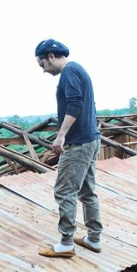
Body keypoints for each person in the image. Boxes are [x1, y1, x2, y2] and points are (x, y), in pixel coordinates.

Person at [35, 39, 103, 258]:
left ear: (51, 56)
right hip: (90, 139)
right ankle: (93, 238)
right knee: (87, 191)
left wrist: (61, 135)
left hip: (79, 143)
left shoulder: (69, 72)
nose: (44, 71)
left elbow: (75, 103)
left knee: (64, 191)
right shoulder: (78, 70)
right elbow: (87, 104)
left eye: (43, 64)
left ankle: (66, 243)